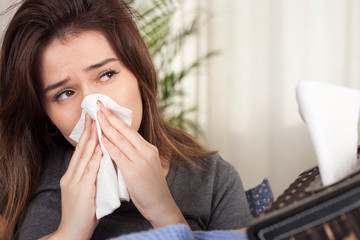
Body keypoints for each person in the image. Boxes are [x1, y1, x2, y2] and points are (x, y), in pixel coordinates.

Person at [0, 0, 253, 239]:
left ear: (138, 73)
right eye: (65, 93)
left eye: (107, 74)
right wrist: (70, 232)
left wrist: (163, 212)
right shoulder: (17, 174)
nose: (93, 107)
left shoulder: (212, 178)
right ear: (44, 111)